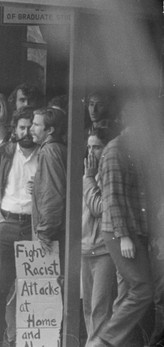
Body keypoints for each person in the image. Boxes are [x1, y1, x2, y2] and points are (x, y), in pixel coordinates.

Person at [92, 103, 154, 347]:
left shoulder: (133, 150)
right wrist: (125, 236)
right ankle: (105, 341)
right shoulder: (115, 150)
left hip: (132, 230)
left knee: (130, 290)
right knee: (142, 289)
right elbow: (113, 198)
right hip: (121, 232)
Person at [0, 106, 39, 347]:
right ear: (14, 129)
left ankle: (28, 341)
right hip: (6, 223)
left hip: (33, 227)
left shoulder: (46, 153)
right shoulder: (4, 152)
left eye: (30, 127)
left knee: (34, 287)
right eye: (22, 127)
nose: (26, 132)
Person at [81, 127, 117, 346]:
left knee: (100, 308)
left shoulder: (106, 174)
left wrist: (88, 179)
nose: (92, 152)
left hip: (103, 250)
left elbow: (98, 207)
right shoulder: (88, 175)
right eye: (89, 147)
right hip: (86, 247)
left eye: (97, 147)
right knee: (87, 307)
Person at [29, 107, 67, 260]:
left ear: (50, 130)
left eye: (36, 125)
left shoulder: (49, 151)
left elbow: (52, 194)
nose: (31, 129)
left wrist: (44, 232)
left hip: (52, 233)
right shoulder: (58, 149)